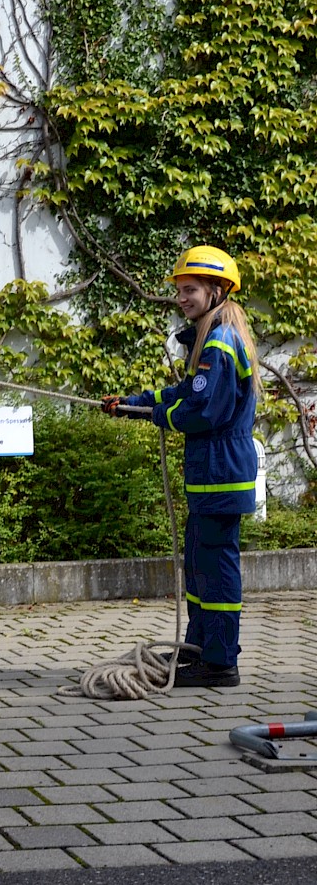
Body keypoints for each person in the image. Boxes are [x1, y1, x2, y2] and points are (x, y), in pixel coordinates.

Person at [102, 246, 259, 690]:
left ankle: (221, 661)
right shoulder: (211, 339)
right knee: (200, 568)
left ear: (217, 290)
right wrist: (135, 403)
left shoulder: (220, 344)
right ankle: (199, 652)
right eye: (179, 290)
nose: (181, 298)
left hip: (221, 473)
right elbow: (185, 394)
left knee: (216, 568)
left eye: (190, 289)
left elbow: (200, 413)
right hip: (212, 474)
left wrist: (155, 416)